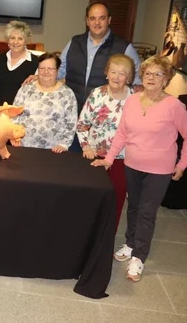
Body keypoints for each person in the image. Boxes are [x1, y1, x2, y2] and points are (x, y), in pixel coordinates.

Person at [92, 55, 187, 282]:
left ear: (166, 79)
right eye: (147, 73)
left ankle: (139, 256)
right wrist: (110, 158)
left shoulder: (174, 105)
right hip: (132, 164)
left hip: (159, 169)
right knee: (133, 206)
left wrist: (182, 164)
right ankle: (131, 242)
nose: (151, 78)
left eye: (158, 74)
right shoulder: (133, 100)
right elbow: (122, 133)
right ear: (141, 77)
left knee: (146, 212)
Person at [77, 54, 135, 229]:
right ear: (106, 73)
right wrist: (86, 146)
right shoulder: (96, 94)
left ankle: (108, 236)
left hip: (122, 158)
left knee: (116, 200)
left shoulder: (135, 99)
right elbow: (82, 125)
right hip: (95, 155)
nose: (116, 77)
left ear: (129, 77)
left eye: (122, 73)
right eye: (113, 72)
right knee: (92, 198)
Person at [59, 2, 141, 112]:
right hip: (72, 107)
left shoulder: (124, 47)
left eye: (102, 18)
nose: (97, 23)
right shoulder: (74, 42)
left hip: (105, 112)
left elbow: (138, 81)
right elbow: (59, 70)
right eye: (92, 18)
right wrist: (39, 76)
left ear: (109, 20)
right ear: (87, 21)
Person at [12, 53, 78, 153]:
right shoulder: (25, 89)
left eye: (50, 68)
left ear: (57, 70)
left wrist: (64, 144)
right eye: (42, 68)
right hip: (23, 146)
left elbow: (71, 122)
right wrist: (14, 136)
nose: (46, 72)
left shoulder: (67, 93)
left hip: (54, 150)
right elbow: (14, 115)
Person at [0, 20, 39, 106]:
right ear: (8, 41)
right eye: (12, 38)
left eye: (20, 38)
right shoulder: (1, 58)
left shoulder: (35, 62)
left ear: (26, 41)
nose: (15, 42)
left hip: (20, 113)